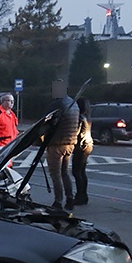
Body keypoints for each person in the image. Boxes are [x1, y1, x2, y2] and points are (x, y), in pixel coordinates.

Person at [44, 80, 79, 210]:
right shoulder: (74, 104)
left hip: (56, 143)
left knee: (56, 174)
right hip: (70, 143)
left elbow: (46, 122)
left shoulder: (57, 104)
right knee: (65, 173)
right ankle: (70, 199)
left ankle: (58, 201)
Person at [71, 97, 94, 205]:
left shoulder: (80, 118)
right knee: (82, 171)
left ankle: (80, 195)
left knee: (76, 172)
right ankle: (84, 195)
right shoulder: (88, 117)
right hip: (88, 144)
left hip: (81, 146)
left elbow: (76, 133)